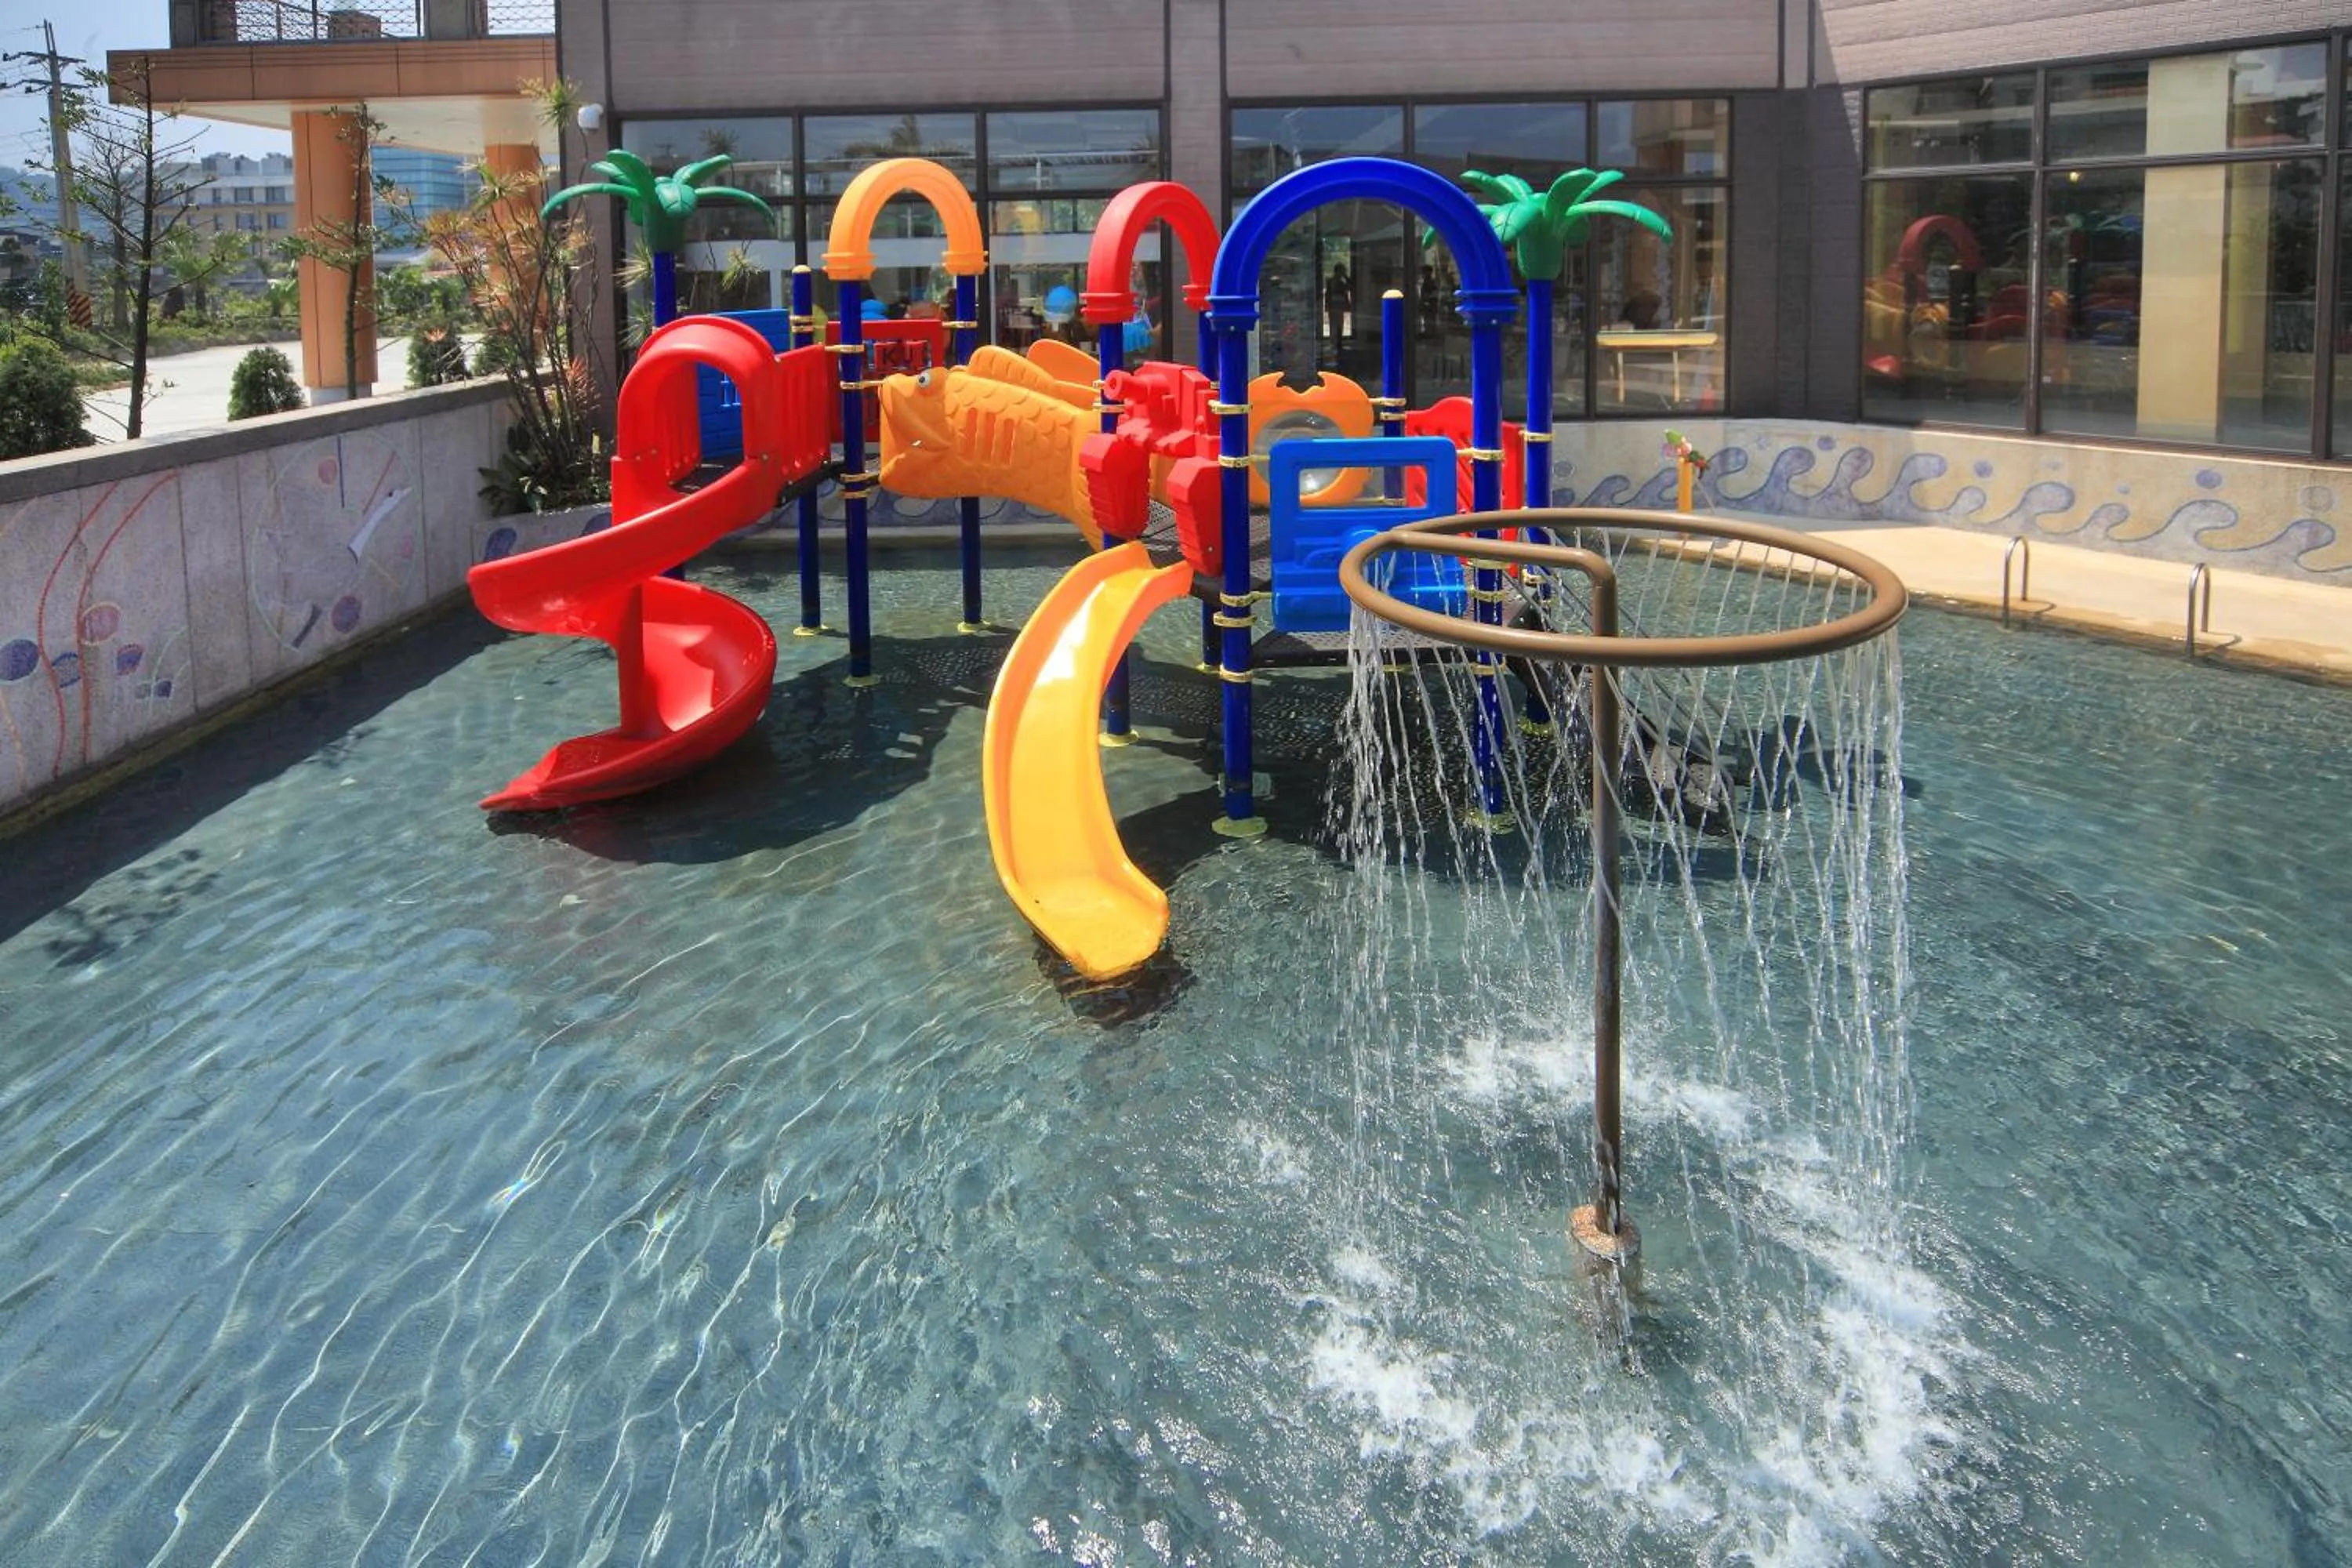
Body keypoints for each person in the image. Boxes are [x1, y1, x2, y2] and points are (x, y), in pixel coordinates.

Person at [1324, 263, 1353, 347]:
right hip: (1333, 305)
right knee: (1333, 324)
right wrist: (1327, 305)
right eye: (1342, 271)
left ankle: (1338, 341)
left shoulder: (1342, 282)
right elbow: (1328, 294)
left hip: (1340, 305)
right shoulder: (1331, 281)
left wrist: (1346, 277)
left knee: (1340, 323)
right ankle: (1333, 341)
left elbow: (1349, 289)